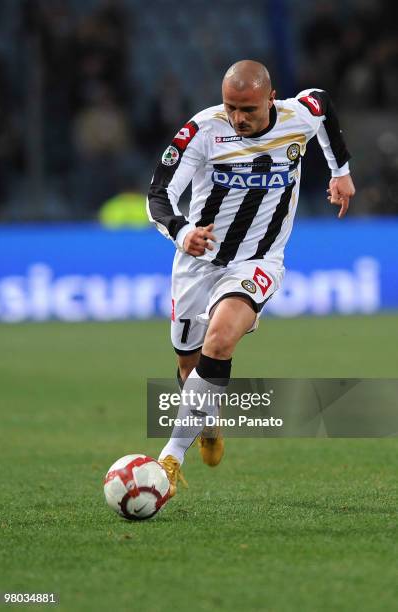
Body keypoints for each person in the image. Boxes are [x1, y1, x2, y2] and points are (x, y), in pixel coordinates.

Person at [147, 60, 355, 497]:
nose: (238, 118)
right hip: (198, 262)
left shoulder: (297, 116)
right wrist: (184, 232)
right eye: (231, 108)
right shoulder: (203, 130)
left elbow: (321, 104)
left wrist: (341, 172)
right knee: (189, 365)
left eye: (248, 110)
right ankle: (208, 420)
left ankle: (170, 457)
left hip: (258, 261)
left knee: (219, 340)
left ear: (270, 97)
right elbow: (160, 193)